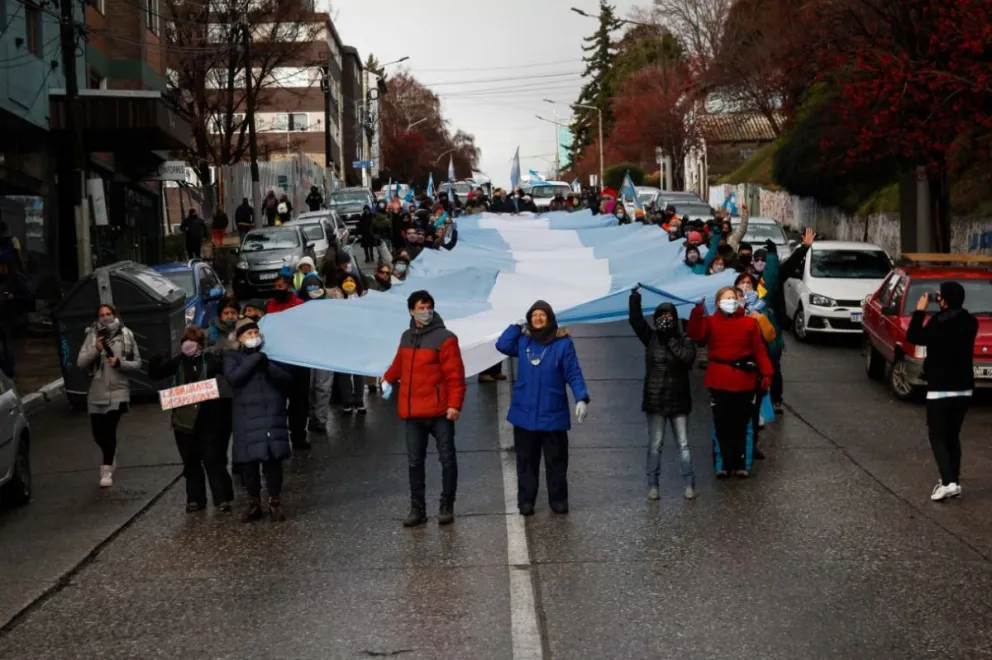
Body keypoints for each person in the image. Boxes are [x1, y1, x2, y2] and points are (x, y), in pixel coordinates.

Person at [496, 301, 590, 516]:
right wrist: (515, 326)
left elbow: (573, 372)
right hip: (524, 414)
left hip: (553, 413)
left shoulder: (563, 343)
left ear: (549, 318)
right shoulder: (523, 340)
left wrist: (581, 398)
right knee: (526, 462)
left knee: (556, 461)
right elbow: (502, 345)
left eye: (542, 315)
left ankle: (558, 500)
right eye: (534, 315)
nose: (538, 318)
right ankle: (526, 501)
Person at [382, 290, 466, 527]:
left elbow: (455, 374)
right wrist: (387, 379)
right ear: (411, 311)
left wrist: (454, 404)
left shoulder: (445, 338)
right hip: (413, 413)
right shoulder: (406, 337)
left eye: (428, 307)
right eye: (420, 308)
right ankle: (417, 508)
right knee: (414, 462)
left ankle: (446, 504)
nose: (425, 311)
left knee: (447, 459)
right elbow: (399, 364)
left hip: (440, 412)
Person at [688, 287, 773, 478]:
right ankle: (723, 464)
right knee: (721, 423)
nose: (731, 301)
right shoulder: (710, 322)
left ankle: (742, 463)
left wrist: (766, 374)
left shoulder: (749, 324)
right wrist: (697, 311)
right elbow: (696, 335)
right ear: (717, 303)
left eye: (734, 298)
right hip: (719, 380)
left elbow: (759, 350)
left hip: (744, 380)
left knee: (743, 424)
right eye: (727, 298)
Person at [148, 326, 234, 513]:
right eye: (186, 339)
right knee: (190, 460)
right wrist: (156, 358)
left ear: (201, 344)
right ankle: (195, 499)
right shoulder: (178, 362)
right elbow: (155, 374)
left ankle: (221, 497)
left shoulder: (211, 360)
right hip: (184, 421)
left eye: (193, 340)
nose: (189, 344)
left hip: (209, 418)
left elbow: (228, 376)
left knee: (212, 459)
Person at [906, 281, 978, 502]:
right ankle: (953, 481)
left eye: (940, 295)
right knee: (952, 436)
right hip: (964, 389)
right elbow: (954, 318)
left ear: (944, 299)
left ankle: (948, 483)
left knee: (937, 436)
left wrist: (920, 310)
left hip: (940, 390)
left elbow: (914, 336)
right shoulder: (971, 321)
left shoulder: (937, 323)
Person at [628, 288, 697, 500]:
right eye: (661, 318)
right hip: (656, 401)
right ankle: (653, 484)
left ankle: (689, 484)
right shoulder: (650, 338)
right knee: (655, 445)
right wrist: (635, 297)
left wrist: (670, 339)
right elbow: (636, 320)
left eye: (668, 317)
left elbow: (687, 360)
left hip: (679, 402)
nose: (665, 321)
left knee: (683, 445)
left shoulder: (685, 340)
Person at [224, 317, 294, 522]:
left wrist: (267, 365)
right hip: (246, 416)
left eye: (255, 333)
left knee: (273, 461)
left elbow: (287, 379)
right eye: (248, 334)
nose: (253, 336)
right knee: (249, 463)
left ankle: (274, 501)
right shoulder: (232, 357)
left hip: (271, 412)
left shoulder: (271, 355)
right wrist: (254, 360)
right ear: (239, 338)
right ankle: (254, 502)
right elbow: (234, 377)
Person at [77, 304, 141, 487]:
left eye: (108, 314)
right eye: (102, 315)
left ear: (115, 315)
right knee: (98, 434)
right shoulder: (93, 336)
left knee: (109, 429)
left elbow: (137, 363)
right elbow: (81, 363)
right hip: (97, 391)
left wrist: (120, 363)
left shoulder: (126, 335)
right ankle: (111, 454)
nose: (106, 318)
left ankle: (106, 470)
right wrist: (96, 349)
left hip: (119, 390)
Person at [265, 273, 310, 450]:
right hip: (277, 361)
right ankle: (279, 437)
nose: (277, 289)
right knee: (278, 401)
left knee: (299, 401)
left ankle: (298, 436)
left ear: (289, 287)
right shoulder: (270, 306)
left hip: (298, 360)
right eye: (275, 286)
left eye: (280, 286)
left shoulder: (299, 305)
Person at [297, 273, 335, 432]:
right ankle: (310, 416)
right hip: (305, 354)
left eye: (316, 289)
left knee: (323, 387)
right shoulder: (298, 307)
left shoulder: (330, 306)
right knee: (308, 387)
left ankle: (319, 420)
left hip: (325, 353)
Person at [328, 274, 367, 414]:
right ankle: (347, 400)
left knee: (358, 372)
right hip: (342, 341)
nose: (349, 283)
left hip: (359, 340)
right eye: (346, 281)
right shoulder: (336, 299)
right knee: (344, 372)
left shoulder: (363, 298)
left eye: (351, 281)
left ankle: (359, 399)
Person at [0, 263, 30, 378]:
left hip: (10, 319)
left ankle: (8, 374)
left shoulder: (16, 278)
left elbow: (27, 297)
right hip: (3, 318)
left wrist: (13, 297)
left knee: (9, 348)